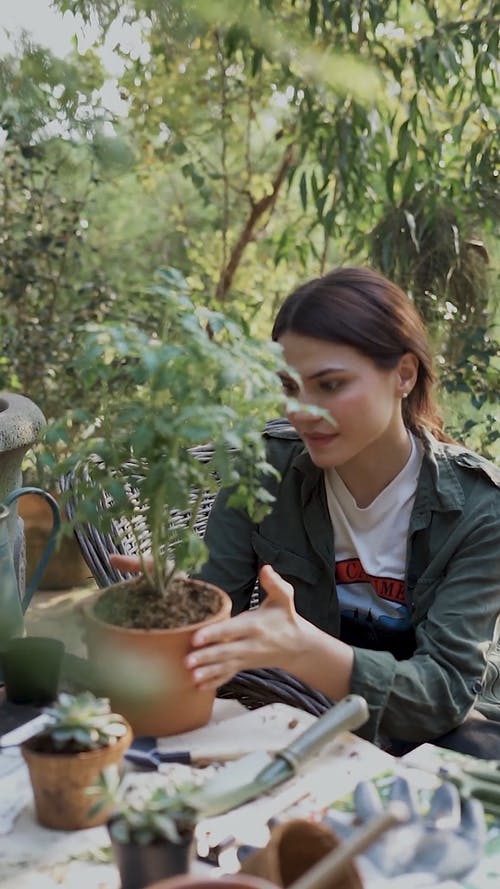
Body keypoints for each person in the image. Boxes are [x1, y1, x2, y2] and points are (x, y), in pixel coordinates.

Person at [112, 267, 500, 755]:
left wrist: (303, 648)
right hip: (300, 713)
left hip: (445, 735)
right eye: (290, 387)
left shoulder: (480, 510)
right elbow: (218, 625)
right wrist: (180, 603)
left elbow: (442, 694)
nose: (301, 411)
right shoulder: (261, 469)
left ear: (404, 374)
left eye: (330, 385)